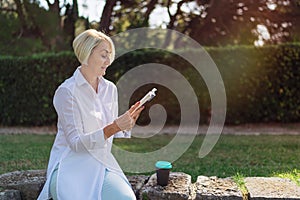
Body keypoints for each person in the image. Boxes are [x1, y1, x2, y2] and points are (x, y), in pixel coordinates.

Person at [38, 29, 144, 200]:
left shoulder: (110, 89)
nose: (108, 61)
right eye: (103, 55)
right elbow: (76, 144)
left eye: (109, 55)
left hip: (101, 164)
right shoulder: (66, 92)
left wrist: (126, 124)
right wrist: (115, 126)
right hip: (69, 166)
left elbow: (108, 132)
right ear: (86, 54)